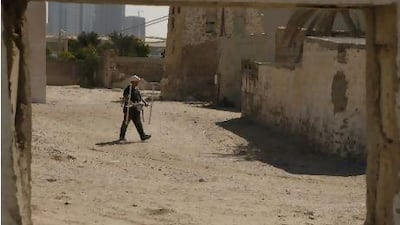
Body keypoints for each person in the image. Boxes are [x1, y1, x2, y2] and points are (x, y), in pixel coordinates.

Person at [119, 75, 151, 142]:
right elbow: (126, 97)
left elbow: (140, 97)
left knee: (138, 123)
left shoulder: (136, 89)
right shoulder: (128, 89)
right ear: (132, 82)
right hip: (129, 109)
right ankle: (122, 137)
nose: (137, 83)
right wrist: (130, 102)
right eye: (136, 82)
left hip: (136, 109)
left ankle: (143, 136)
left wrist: (144, 103)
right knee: (126, 122)